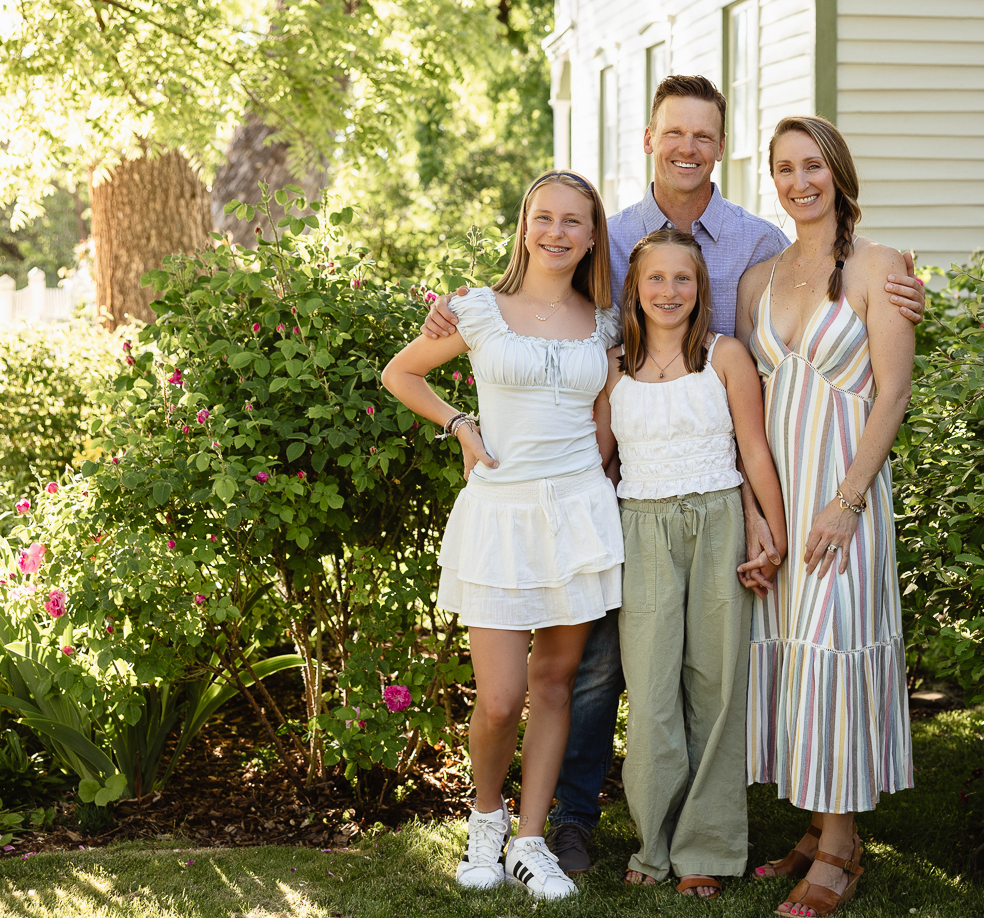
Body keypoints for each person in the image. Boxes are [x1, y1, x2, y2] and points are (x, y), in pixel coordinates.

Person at [421, 74, 928, 875]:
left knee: (745, 664)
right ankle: (572, 822)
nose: (687, 147)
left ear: (719, 148)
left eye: (703, 135)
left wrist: (904, 286)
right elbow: (539, 302)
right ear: (649, 140)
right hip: (629, 485)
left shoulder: (759, 245)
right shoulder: (612, 233)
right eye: (673, 133)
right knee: (597, 672)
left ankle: (782, 838)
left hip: (754, 479)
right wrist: (461, 364)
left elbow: (839, 355)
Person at [381, 169, 622, 901]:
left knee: (555, 686)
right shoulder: (475, 310)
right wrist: (460, 424)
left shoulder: (606, 322)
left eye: (572, 222)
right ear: (524, 226)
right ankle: (484, 819)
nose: (556, 232)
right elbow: (401, 374)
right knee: (498, 697)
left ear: (590, 237)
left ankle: (529, 840)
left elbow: (606, 418)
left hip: (578, 512)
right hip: (498, 516)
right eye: (543, 218)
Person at [736, 116, 915, 918]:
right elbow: (747, 409)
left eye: (811, 165)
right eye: (783, 168)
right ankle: (814, 825)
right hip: (780, 496)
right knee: (795, 654)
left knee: (834, 647)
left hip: (844, 496)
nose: (797, 181)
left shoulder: (883, 268)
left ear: (838, 174)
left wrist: (844, 503)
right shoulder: (757, 281)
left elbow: (892, 394)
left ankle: (841, 849)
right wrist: (756, 515)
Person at [605, 228, 788, 899]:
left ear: (699, 287)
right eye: (655, 279)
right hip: (642, 530)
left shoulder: (724, 356)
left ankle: (706, 848)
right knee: (651, 694)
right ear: (635, 286)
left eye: (682, 280)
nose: (669, 292)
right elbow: (599, 460)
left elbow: (754, 452)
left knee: (715, 688)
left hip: (719, 523)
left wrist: (770, 527)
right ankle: (653, 845)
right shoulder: (613, 366)